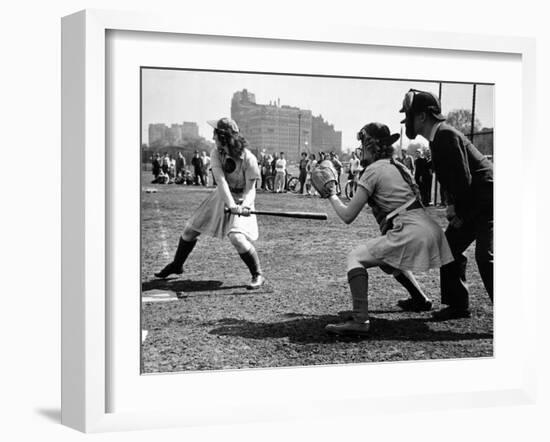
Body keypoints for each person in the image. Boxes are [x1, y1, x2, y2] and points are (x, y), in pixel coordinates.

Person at [311, 122, 453, 335]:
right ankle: (420, 299)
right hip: (428, 227)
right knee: (388, 259)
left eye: (363, 143)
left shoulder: (372, 170)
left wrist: (331, 194)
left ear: (370, 145)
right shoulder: (396, 164)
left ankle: (360, 321)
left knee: (355, 258)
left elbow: (348, 216)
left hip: (411, 229)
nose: (361, 148)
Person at [399, 89, 493, 320]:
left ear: (422, 116)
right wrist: (452, 206)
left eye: (409, 116)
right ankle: (458, 306)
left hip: (488, 200)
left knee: (485, 256)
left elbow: (464, 181)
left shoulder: (446, 136)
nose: (406, 122)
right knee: (448, 248)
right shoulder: (437, 138)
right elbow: (453, 179)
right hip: (474, 199)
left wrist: (460, 213)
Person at [154, 118, 265, 289]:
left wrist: (245, 206)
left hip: (242, 199)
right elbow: (221, 182)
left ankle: (257, 275)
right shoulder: (216, 153)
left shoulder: (249, 159)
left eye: (215, 134)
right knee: (189, 231)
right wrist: (231, 204)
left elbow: (251, 190)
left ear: (224, 137)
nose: (213, 137)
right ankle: (177, 265)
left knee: (237, 238)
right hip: (222, 196)